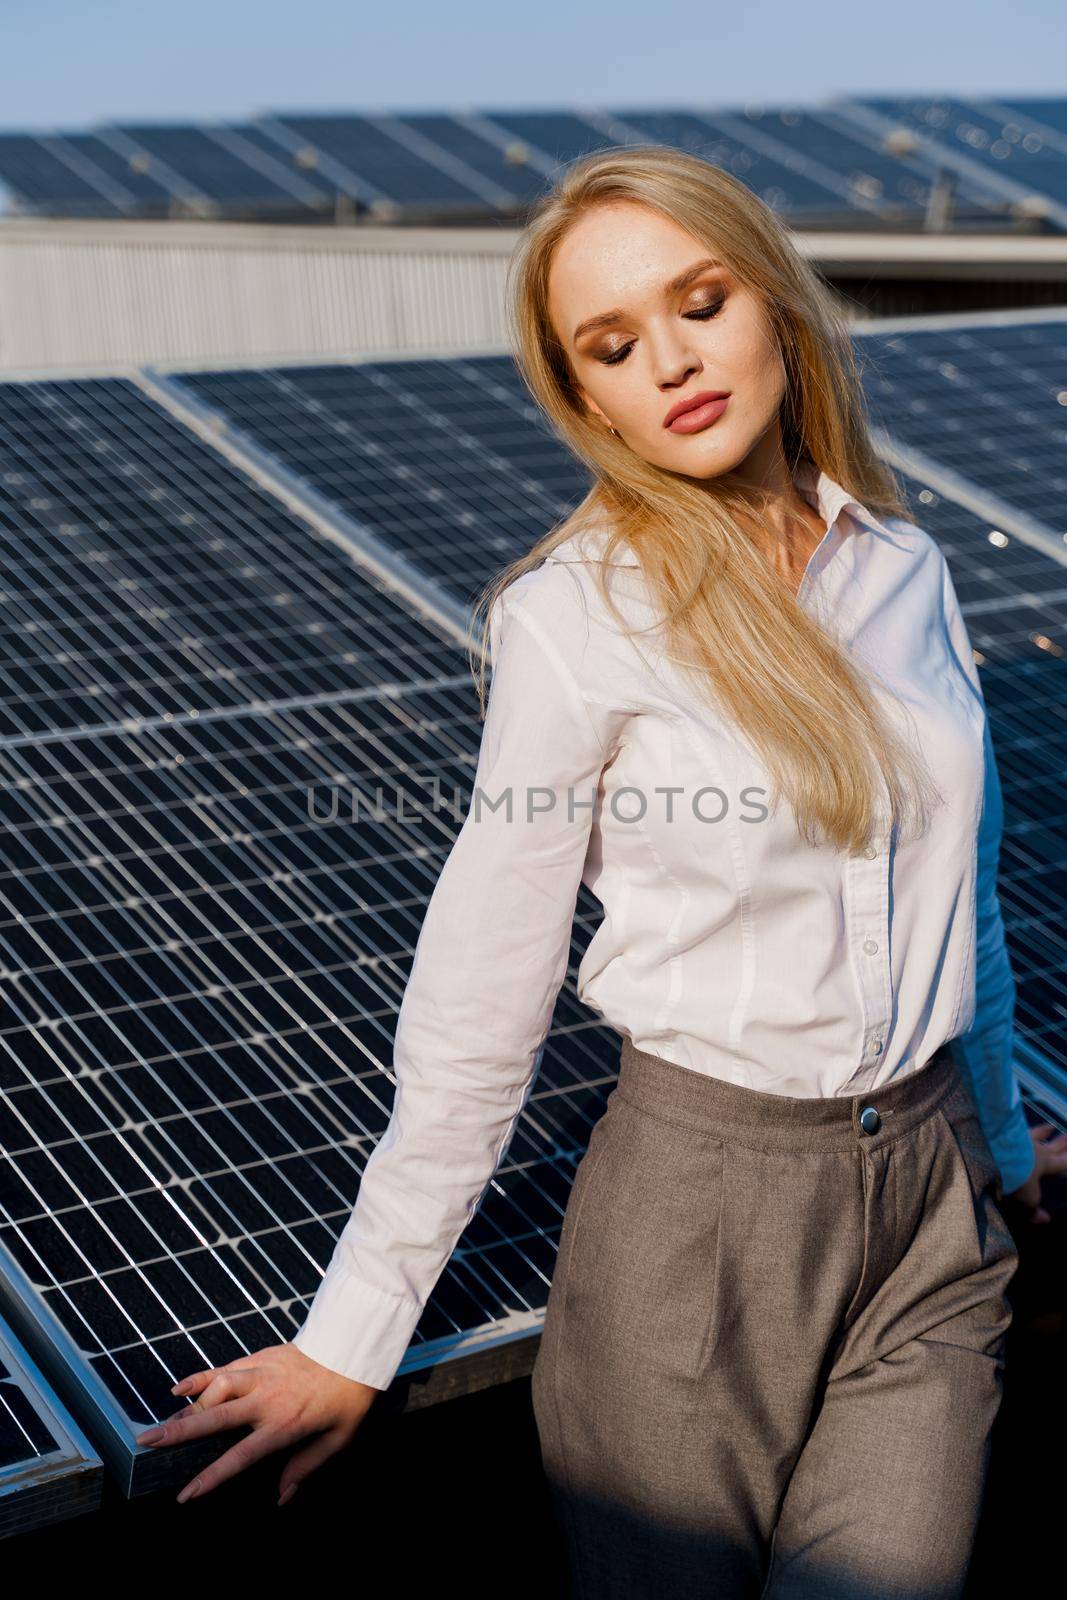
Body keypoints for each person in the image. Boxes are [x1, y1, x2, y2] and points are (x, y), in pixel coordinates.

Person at [137, 145, 1067, 1589]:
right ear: (586, 399)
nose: (673, 364)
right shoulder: (576, 619)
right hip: (698, 1226)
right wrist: (352, 1337)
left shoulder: (906, 569)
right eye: (613, 347)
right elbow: (484, 984)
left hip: (933, 1214)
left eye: (701, 304)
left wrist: (1002, 1156)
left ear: (774, 301)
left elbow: (971, 900)